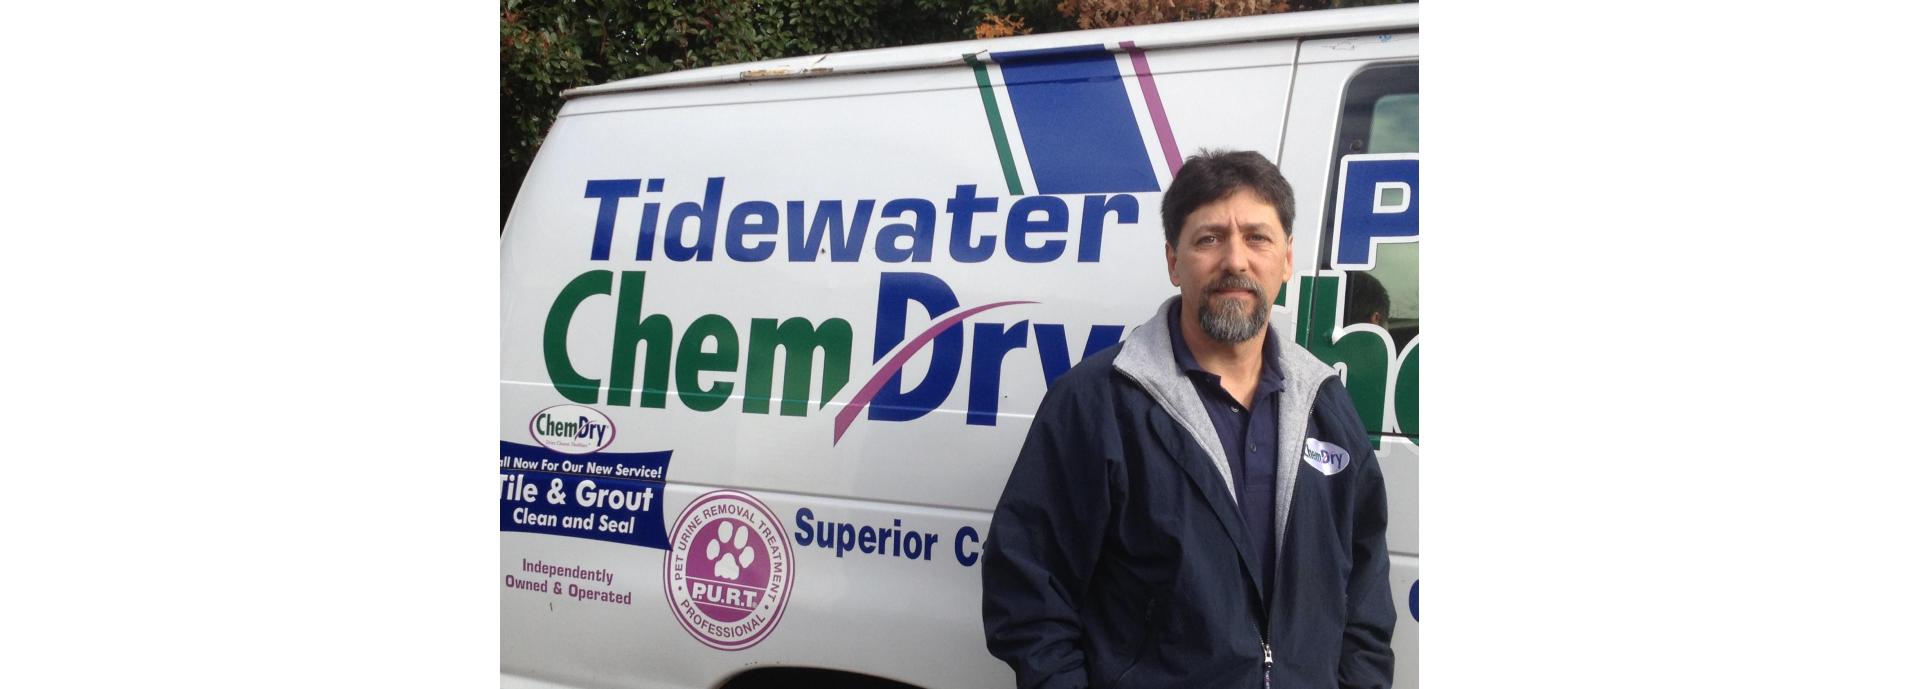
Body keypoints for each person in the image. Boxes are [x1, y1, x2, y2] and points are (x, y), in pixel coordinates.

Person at [980, 150, 1395, 688]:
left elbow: (1365, 592)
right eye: (1209, 239)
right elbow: (1026, 587)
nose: (1235, 261)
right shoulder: (1095, 402)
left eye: (1257, 237)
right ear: (1174, 261)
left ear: (1287, 259)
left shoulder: (1325, 403)